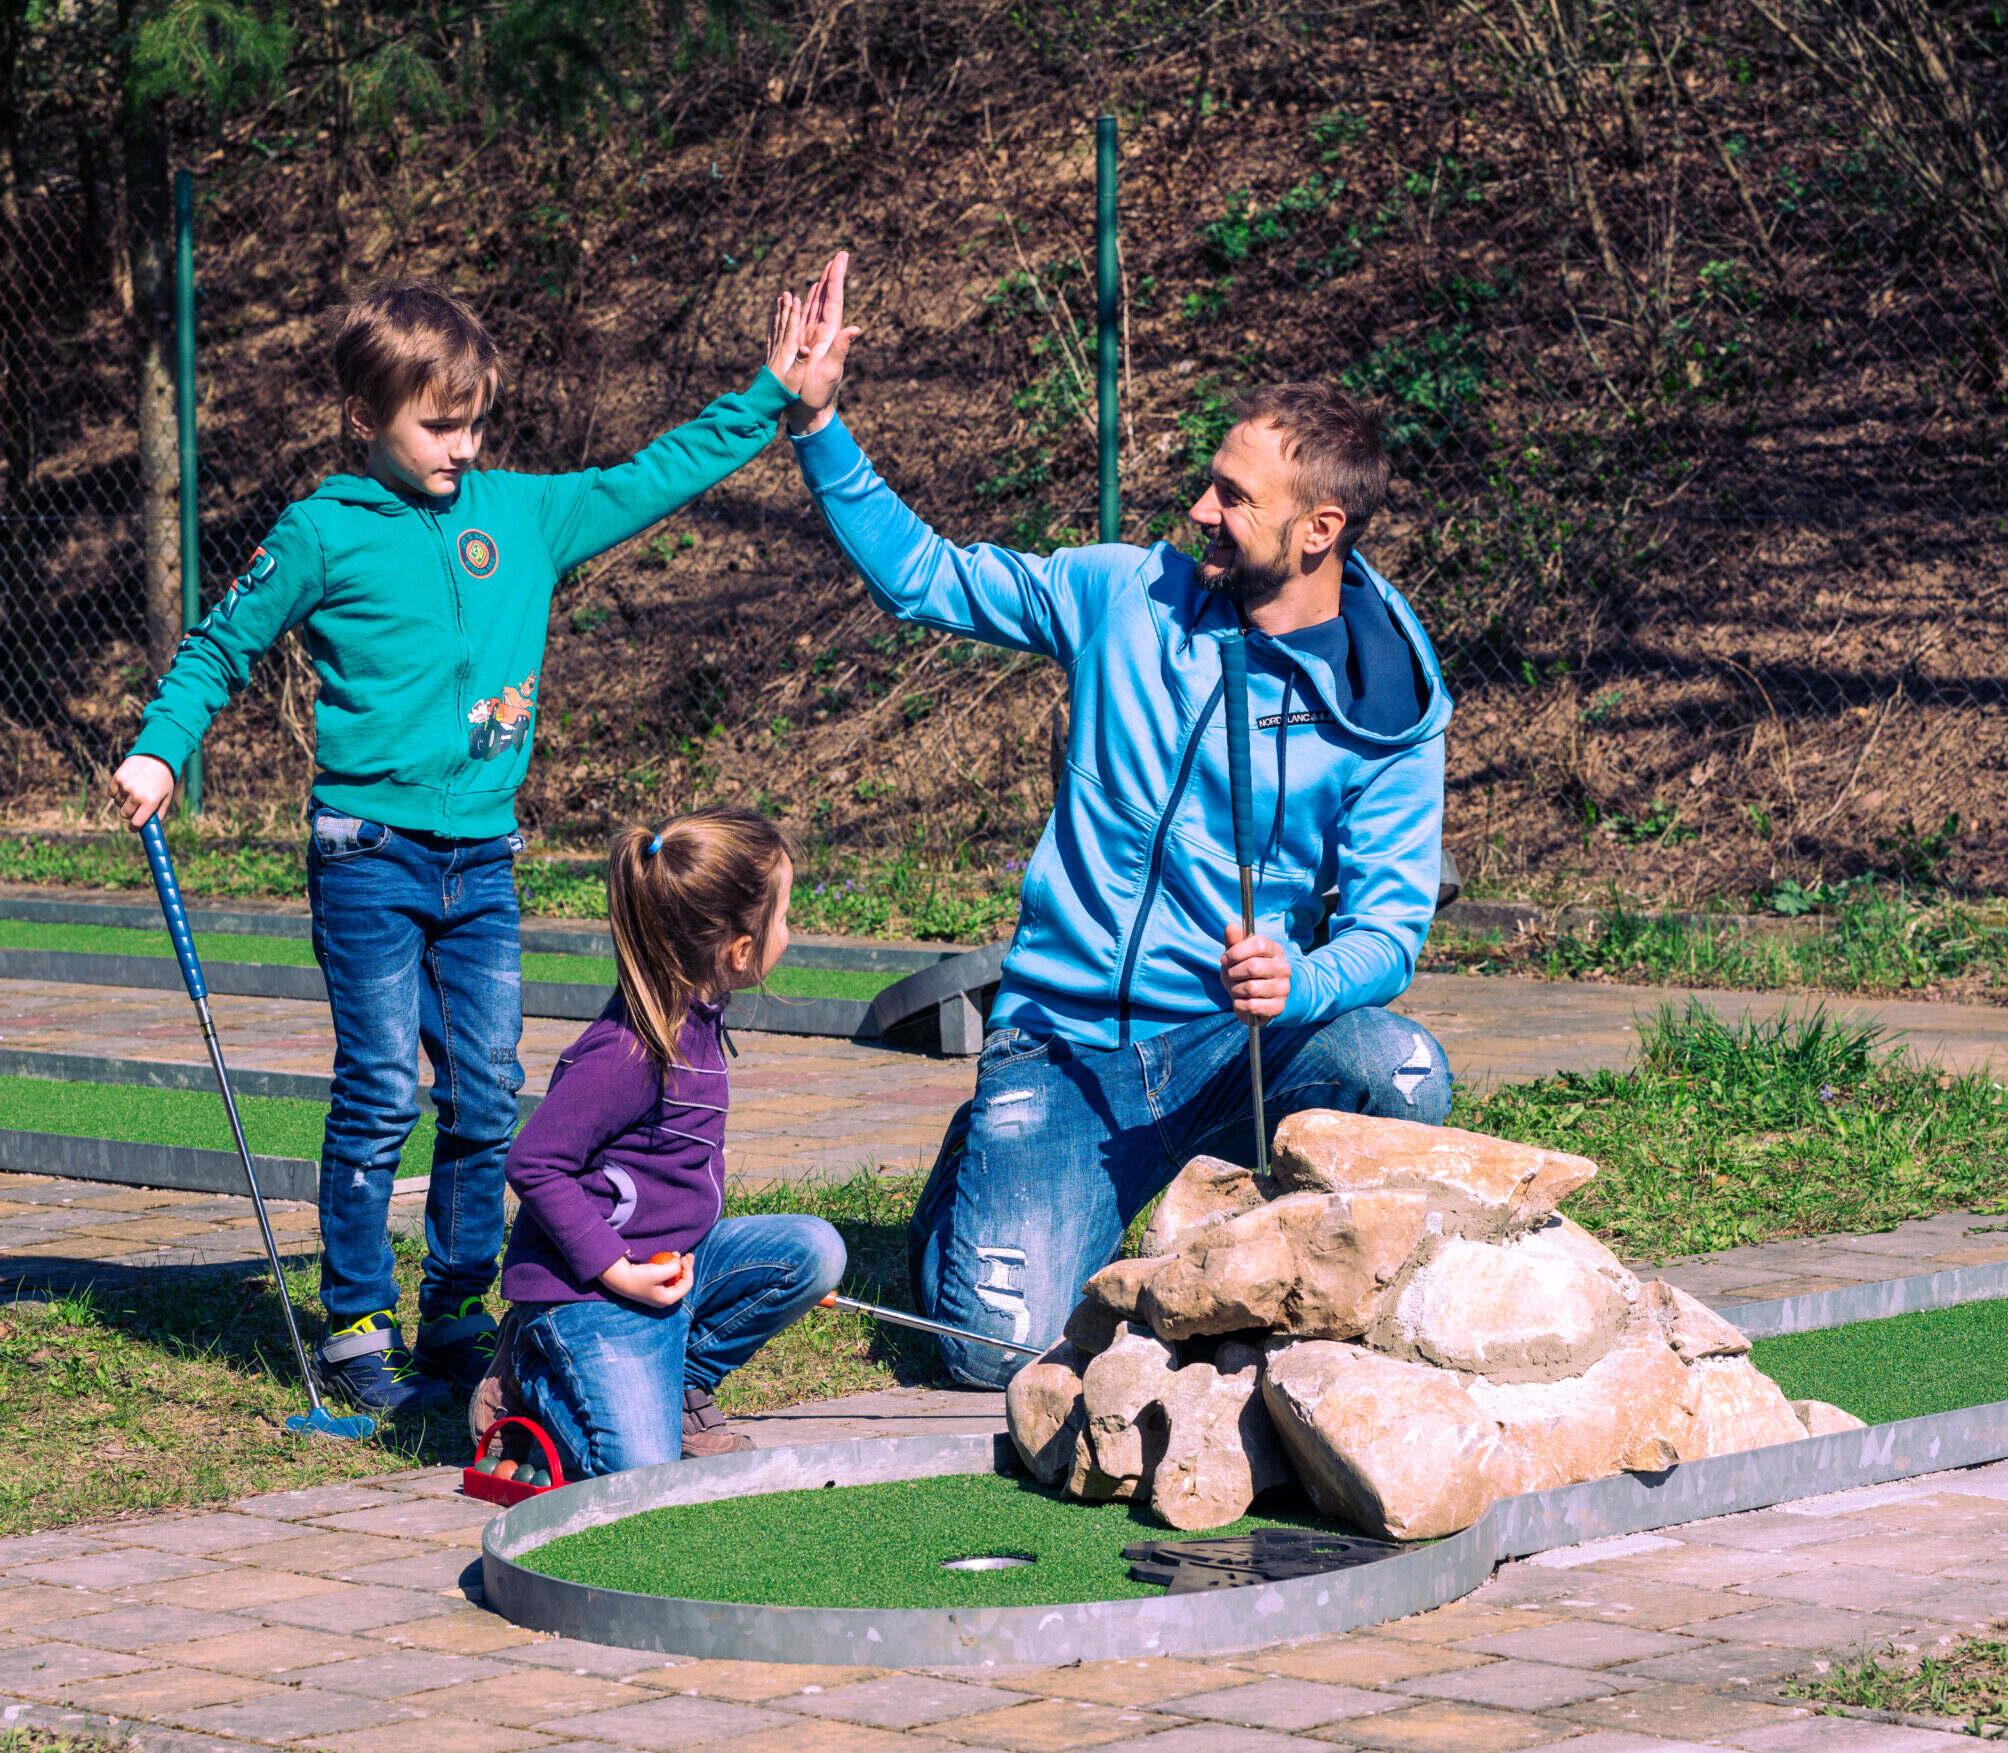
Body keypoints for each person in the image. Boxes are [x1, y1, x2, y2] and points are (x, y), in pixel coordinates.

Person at [111, 279, 821, 1415]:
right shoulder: (322, 531)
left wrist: (768, 398)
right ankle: (354, 1319)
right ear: (365, 416)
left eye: (473, 421)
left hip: (481, 855)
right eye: (436, 424)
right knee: (385, 1084)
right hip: (369, 853)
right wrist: (159, 751)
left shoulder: (522, 516)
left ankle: (453, 1302)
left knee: (489, 1090)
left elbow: (649, 476)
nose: (462, 444)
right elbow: (219, 645)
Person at [778, 255, 1455, 1389]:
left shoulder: (1386, 699)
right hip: (1068, 1046)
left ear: (1318, 528)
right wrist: (817, 424)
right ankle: (994, 1148)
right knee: (995, 1350)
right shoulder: (1119, 595)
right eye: (1210, 480)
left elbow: (1390, 930)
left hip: (1239, 1047)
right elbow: (922, 579)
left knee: (1398, 1074)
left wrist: (1304, 983)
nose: (1199, 508)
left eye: (1233, 497)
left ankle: (1296, 1263)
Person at [492, 807, 845, 1476]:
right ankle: (529, 1381)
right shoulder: (625, 1051)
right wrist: (616, 1269)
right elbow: (534, 1161)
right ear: (740, 950)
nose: (790, 932)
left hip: (670, 1266)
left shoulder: (700, 1010)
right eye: (785, 916)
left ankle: (677, 1377)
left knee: (814, 1250)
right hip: (589, 1293)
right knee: (640, 1468)